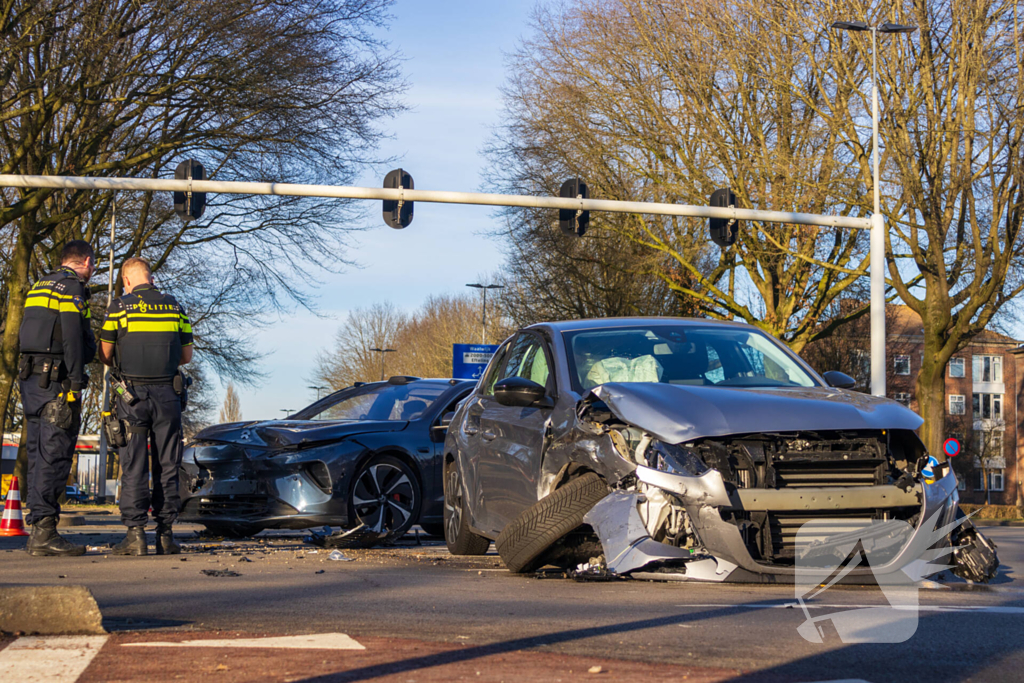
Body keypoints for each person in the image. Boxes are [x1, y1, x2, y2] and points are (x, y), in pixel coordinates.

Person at [99, 257, 193, 556]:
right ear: (149, 278)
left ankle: (135, 534)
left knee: (134, 465)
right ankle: (165, 536)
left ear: (127, 281)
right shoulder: (175, 307)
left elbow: (105, 353)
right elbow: (186, 356)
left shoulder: (118, 307)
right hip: (168, 395)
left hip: (132, 397)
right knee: (167, 465)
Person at [18, 240, 97, 556]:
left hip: (31, 380)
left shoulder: (40, 285)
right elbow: (73, 338)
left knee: (38, 455)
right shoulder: (71, 288)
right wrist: (76, 383)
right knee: (55, 454)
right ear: (87, 262)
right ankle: (45, 533)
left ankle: (38, 525)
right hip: (57, 384)